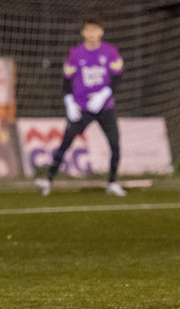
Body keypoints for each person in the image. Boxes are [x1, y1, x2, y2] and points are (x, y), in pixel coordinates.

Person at [36, 15, 125, 197]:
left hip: (105, 107)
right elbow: (67, 79)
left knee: (115, 144)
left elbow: (117, 76)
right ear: (83, 32)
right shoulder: (75, 54)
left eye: (95, 29)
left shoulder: (110, 52)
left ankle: (112, 183)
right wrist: (69, 102)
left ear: (101, 32)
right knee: (65, 142)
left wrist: (105, 94)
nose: (92, 34)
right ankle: (48, 180)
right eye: (88, 30)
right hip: (82, 108)